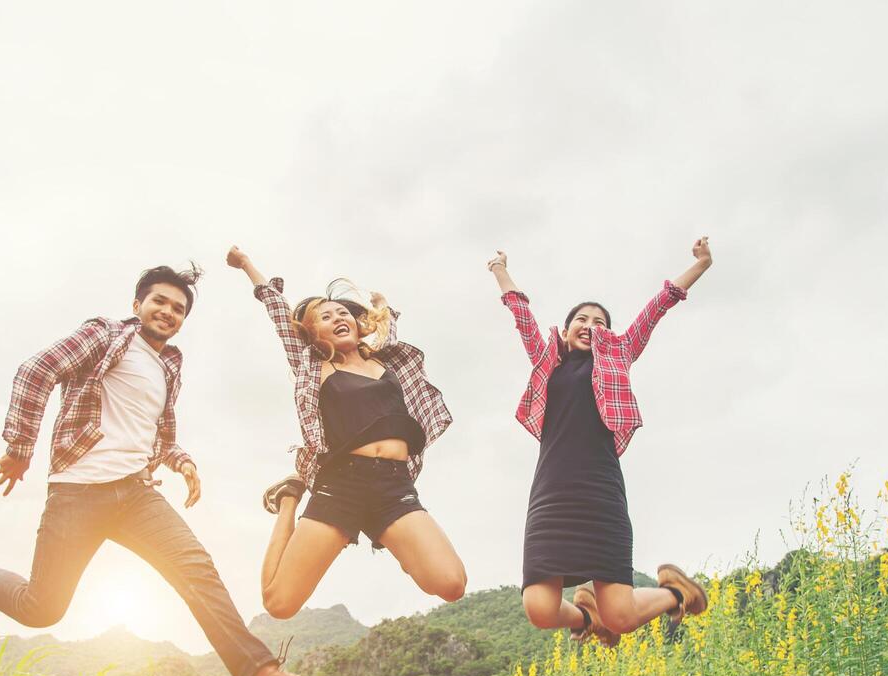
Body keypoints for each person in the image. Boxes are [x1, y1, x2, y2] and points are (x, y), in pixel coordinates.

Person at [0, 264, 337, 676]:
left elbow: (153, 433)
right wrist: (20, 449)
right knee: (43, 609)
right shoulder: (106, 335)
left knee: (196, 569)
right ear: (137, 304)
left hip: (137, 495)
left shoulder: (167, 367)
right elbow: (36, 371)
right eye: (159, 301)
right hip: (78, 494)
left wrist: (181, 461)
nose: (168, 312)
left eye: (178, 309)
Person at [488, 240, 715, 645]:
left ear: (608, 333)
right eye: (581, 319)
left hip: (600, 492)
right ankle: (584, 617)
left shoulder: (619, 355)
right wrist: (499, 269)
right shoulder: (547, 361)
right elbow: (522, 315)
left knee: (623, 617)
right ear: (569, 327)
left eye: (599, 321)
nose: (590, 325)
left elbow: (659, 305)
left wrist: (700, 265)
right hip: (551, 495)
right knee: (539, 609)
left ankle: (676, 593)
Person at [225, 246, 466, 620]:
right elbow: (277, 311)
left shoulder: (387, 361)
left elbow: (385, 328)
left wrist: (383, 308)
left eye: (343, 313)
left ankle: (394, 541)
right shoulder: (314, 365)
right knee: (280, 604)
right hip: (341, 486)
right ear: (311, 333)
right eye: (325, 316)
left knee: (451, 584)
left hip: (394, 487)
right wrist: (246, 265)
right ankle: (289, 497)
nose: (338, 317)